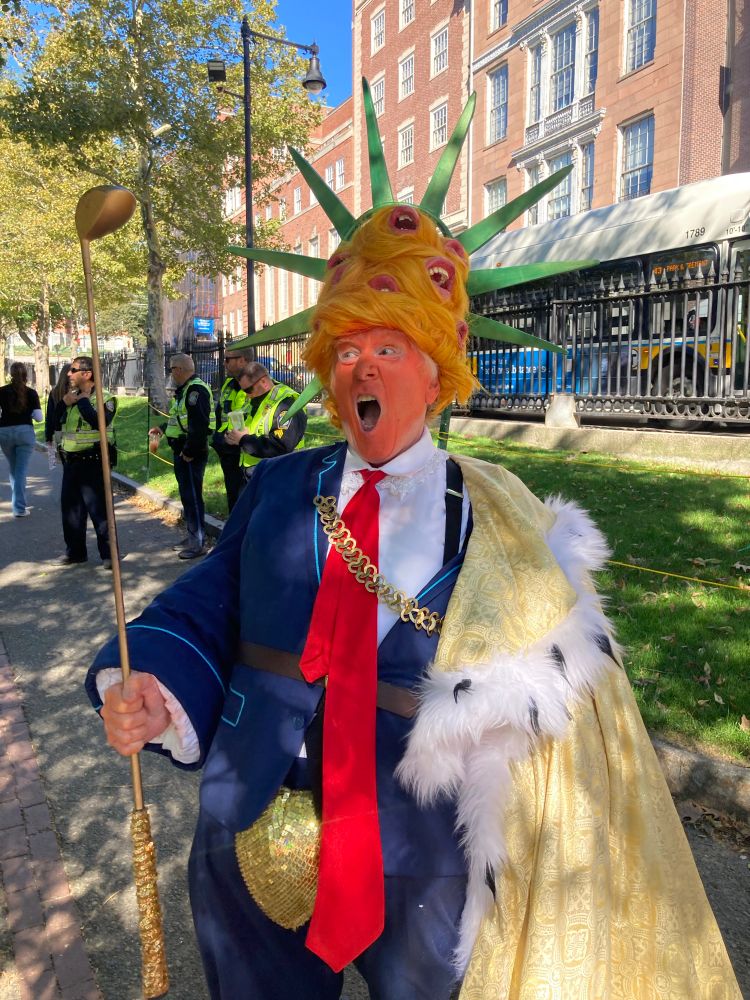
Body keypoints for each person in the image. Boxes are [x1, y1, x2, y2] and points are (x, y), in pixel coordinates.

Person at [87, 88, 741, 1000]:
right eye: (346, 348)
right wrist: (151, 683)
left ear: (437, 372)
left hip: (420, 851)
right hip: (253, 814)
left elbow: (566, 698)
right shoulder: (282, 488)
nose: (363, 366)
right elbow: (208, 601)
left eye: (391, 347)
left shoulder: (497, 517)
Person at [48, 356, 116, 568]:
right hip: (71, 462)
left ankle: (108, 555)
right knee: (71, 511)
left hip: (93, 461)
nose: (68, 373)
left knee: (99, 511)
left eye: (73, 370)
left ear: (87, 374)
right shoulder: (71, 397)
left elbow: (99, 422)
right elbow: (53, 425)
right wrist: (62, 404)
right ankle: (75, 552)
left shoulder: (106, 397)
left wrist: (84, 400)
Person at [149, 353, 214, 560]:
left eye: (171, 369)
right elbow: (179, 421)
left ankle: (198, 542)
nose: (170, 373)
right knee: (187, 496)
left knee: (193, 497)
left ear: (179, 370)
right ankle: (192, 535)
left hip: (190, 453)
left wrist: (189, 451)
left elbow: (199, 426)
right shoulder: (185, 390)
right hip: (182, 450)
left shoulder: (196, 391)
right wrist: (161, 428)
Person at [223, 361, 307, 489]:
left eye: (248, 390)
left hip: (279, 478)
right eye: (243, 390)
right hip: (255, 475)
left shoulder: (287, 403)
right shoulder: (255, 400)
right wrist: (234, 437)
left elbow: (281, 445)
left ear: (263, 382)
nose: (247, 395)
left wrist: (243, 440)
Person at [212, 346, 254, 513]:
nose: (224, 363)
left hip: (246, 452)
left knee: (246, 502)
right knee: (233, 498)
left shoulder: (257, 385)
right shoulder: (229, 384)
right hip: (227, 451)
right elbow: (220, 412)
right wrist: (217, 439)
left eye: (227, 359)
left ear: (242, 360)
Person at [0, 362, 43, 517]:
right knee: (21, 470)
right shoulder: (31, 393)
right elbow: (39, 418)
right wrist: (29, 413)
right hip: (25, 433)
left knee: (14, 469)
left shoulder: (1, 391)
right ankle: (19, 508)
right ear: (26, 374)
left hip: (4, 432)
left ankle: (17, 503)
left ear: (10, 374)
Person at [45, 362, 72, 456]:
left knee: (65, 463)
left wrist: (48, 438)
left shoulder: (55, 392)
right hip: (74, 432)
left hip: (58, 432)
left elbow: (49, 416)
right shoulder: (76, 392)